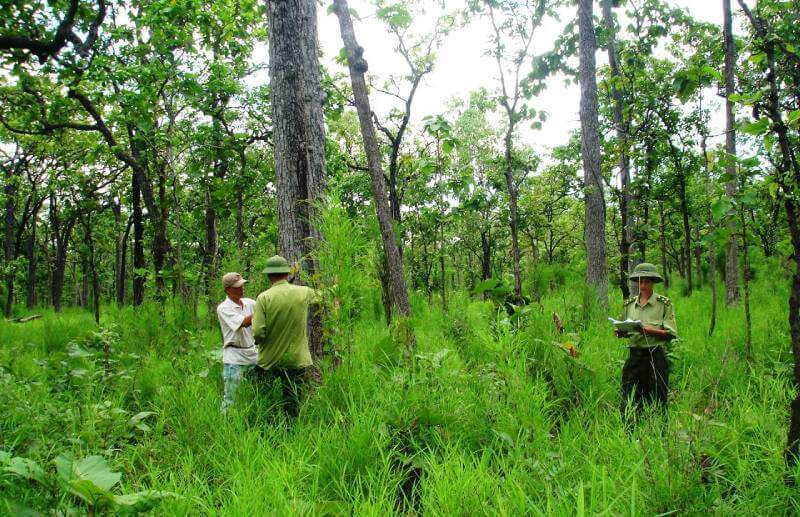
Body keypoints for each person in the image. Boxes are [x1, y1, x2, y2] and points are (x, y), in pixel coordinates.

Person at [252, 255, 321, 417]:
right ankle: (292, 430)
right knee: (292, 400)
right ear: (287, 273)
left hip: (269, 360)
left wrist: (260, 342)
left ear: (269, 276)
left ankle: (268, 426)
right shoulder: (303, 292)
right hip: (297, 359)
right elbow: (323, 295)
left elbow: (257, 333)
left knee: (265, 399)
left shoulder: (264, 298)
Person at [614, 262, 678, 419]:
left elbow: (671, 333)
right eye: (641, 281)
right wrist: (621, 332)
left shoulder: (664, 304)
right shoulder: (630, 305)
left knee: (658, 399)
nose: (643, 285)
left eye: (647, 281)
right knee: (629, 397)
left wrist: (648, 330)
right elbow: (626, 329)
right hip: (634, 357)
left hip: (654, 356)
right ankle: (629, 434)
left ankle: (659, 434)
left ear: (653, 282)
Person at [217, 272, 258, 413]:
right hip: (234, 357)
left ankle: (252, 416)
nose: (242, 289)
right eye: (237, 287)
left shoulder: (250, 303)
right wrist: (264, 308)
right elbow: (244, 323)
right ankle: (225, 422)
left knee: (256, 391)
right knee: (231, 396)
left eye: (242, 285)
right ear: (228, 290)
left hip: (252, 354)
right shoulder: (223, 308)